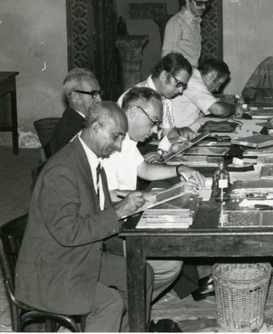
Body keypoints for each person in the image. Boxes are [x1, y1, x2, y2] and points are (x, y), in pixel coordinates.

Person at [15, 102, 154, 332]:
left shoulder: (89, 160)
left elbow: (97, 213)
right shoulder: (63, 169)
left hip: (80, 256)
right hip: (53, 270)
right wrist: (119, 211)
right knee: (109, 303)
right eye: (116, 136)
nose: (119, 145)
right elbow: (68, 232)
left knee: (140, 274)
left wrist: (133, 208)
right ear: (96, 127)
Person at [103, 87, 205, 302]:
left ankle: (132, 306)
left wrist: (180, 170)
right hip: (110, 228)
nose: (155, 130)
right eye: (153, 121)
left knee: (184, 217)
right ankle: (130, 310)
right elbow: (110, 198)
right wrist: (160, 195)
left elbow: (144, 170)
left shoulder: (127, 140)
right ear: (133, 112)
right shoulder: (107, 142)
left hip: (126, 215)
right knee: (170, 263)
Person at [119, 53, 196, 152]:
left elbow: (168, 132)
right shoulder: (135, 98)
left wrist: (182, 140)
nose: (181, 91)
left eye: (183, 86)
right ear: (164, 75)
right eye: (179, 83)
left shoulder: (166, 97)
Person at [171, 57, 243, 129]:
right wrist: (234, 109)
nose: (217, 89)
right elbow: (219, 110)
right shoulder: (195, 82)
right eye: (219, 84)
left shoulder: (193, 74)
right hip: (176, 132)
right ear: (212, 76)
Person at [50, 68, 102, 155]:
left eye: (99, 93)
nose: (99, 99)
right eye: (93, 94)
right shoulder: (70, 131)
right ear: (75, 97)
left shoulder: (81, 120)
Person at [161, 0, 210, 67]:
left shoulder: (196, 22)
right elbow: (166, 59)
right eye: (199, 3)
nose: (203, 7)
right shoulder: (176, 23)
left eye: (206, 3)